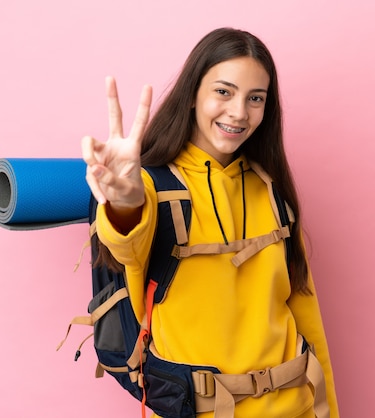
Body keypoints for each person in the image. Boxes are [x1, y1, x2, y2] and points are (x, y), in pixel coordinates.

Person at [81, 27, 339, 418]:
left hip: (299, 406)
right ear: (192, 95)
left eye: (256, 98)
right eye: (224, 91)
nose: (239, 112)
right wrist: (126, 201)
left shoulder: (273, 191)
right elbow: (126, 245)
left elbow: (308, 320)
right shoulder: (152, 188)